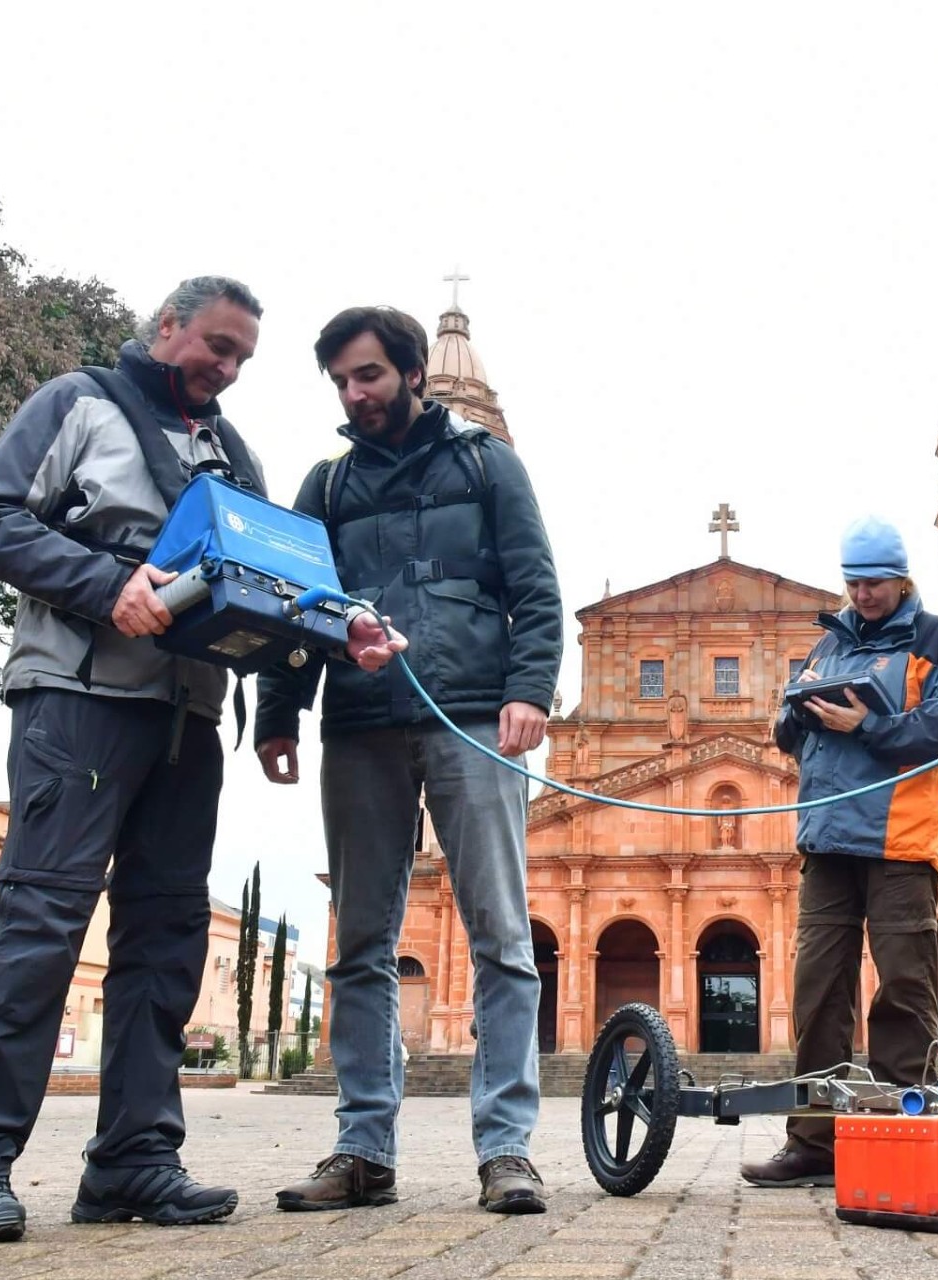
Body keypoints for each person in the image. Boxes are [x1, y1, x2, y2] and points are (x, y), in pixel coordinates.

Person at [0, 276, 403, 1243]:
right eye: (214, 345)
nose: (223, 368)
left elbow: (274, 588)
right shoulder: (78, 402)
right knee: (42, 921)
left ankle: (134, 1161)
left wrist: (337, 634)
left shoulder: (235, 457)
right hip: (79, 702)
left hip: (188, 717)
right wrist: (107, 584)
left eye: (240, 358)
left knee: (168, 937)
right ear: (167, 326)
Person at [255, 305, 562, 1215]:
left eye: (370, 377)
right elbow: (291, 604)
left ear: (413, 372)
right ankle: (362, 1149)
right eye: (343, 382)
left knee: (503, 939)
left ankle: (506, 1148)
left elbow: (535, 583)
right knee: (361, 944)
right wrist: (279, 712)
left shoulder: (487, 463)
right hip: (357, 725)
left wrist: (530, 691)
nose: (356, 395)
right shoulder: (327, 484)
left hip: (471, 720)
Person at [739, 517, 938, 1188]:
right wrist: (796, 713)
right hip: (826, 840)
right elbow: (789, 736)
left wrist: (869, 724)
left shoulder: (936, 639)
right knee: (817, 992)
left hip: (899, 841)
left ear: (901, 578)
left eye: (874, 583)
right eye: (854, 582)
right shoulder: (828, 645)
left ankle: (908, 1134)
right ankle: (815, 1142)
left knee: (904, 986)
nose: (863, 594)